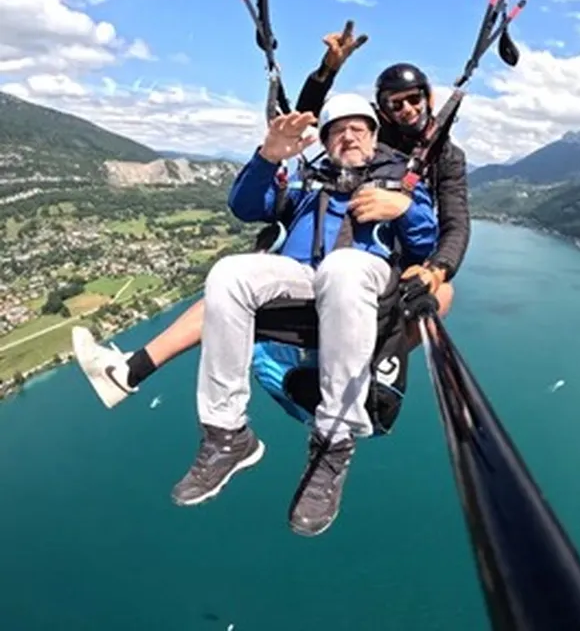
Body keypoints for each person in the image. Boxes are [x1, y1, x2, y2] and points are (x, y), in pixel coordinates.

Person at [71, 22, 469, 406]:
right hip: (324, 264)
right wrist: (325, 74)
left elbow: (454, 223)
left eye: (414, 100)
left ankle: (372, 370)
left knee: (441, 293)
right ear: (380, 114)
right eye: (393, 105)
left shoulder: (443, 158)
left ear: (428, 99)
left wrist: (435, 265)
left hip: (388, 257)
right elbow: (303, 123)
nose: (406, 111)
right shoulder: (344, 152)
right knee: (233, 281)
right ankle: (129, 372)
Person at [159, 94, 437, 534]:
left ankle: (334, 439)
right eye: (338, 130)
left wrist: (405, 207)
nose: (348, 135)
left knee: (342, 267)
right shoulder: (308, 185)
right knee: (229, 273)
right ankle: (226, 434)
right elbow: (247, 206)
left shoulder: (397, 183)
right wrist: (270, 156)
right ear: (325, 142)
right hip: (304, 276)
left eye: (358, 128)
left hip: (364, 277)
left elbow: (425, 245)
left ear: (375, 137)